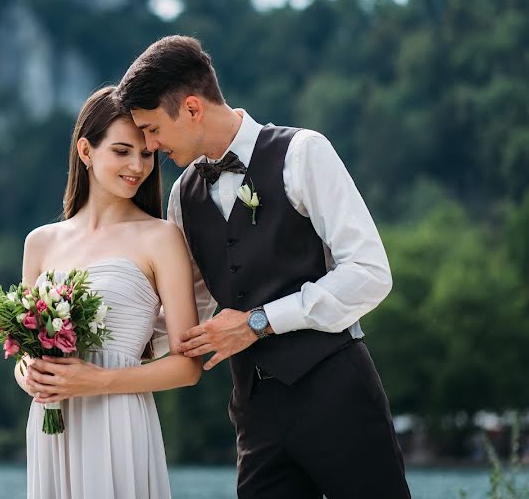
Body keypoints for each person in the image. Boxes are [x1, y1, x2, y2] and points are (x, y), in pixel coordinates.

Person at [114, 36, 411, 498]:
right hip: (255, 414)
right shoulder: (182, 197)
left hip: (337, 394)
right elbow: (185, 309)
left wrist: (259, 322)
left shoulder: (303, 152)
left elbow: (371, 273)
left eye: (152, 129)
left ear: (192, 108)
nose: (149, 147)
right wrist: (97, 356)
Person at [16, 86, 201, 498]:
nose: (138, 165)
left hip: (119, 421)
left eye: (147, 153)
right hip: (52, 425)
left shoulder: (162, 238)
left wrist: (97, 380)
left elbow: (188, 367)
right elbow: (26, 349)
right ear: (86, 151)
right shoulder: (40, 243)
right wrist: (28, 374)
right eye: (121, 151)